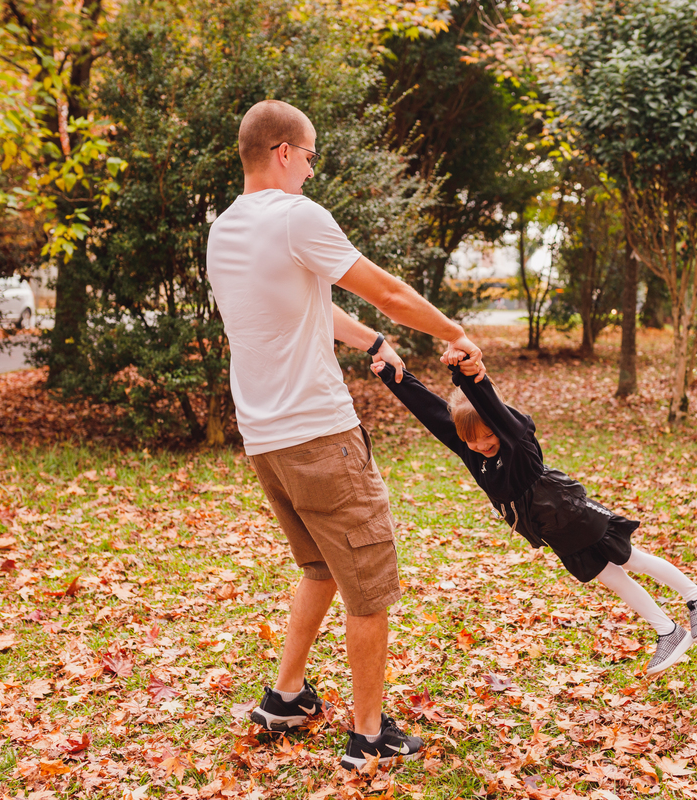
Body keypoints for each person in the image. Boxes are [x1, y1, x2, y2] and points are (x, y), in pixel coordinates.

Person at [205, 99, 485, 771]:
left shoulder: (225, 229)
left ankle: (286, 697)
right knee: (368, 584)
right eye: (309, 155)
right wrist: (453, 334)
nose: (310, 169)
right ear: (282, 152)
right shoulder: (297, 216)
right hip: (320, 435)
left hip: (267, 438)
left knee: (321, 568)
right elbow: (386, 289)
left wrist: (373, 341)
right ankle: (368, 736)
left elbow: (307, 300)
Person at [372, 358, 697, 675]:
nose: (482, 445)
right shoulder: (468, 447)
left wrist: (468, 378)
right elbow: (431, 411)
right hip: (549, 527)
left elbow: (500, 415)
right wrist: (393, 377)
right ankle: (668, 631)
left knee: (630, 558)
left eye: (489, 434)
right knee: (610, 577)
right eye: (473, 441)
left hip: (566, 507)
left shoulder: (517, 442)